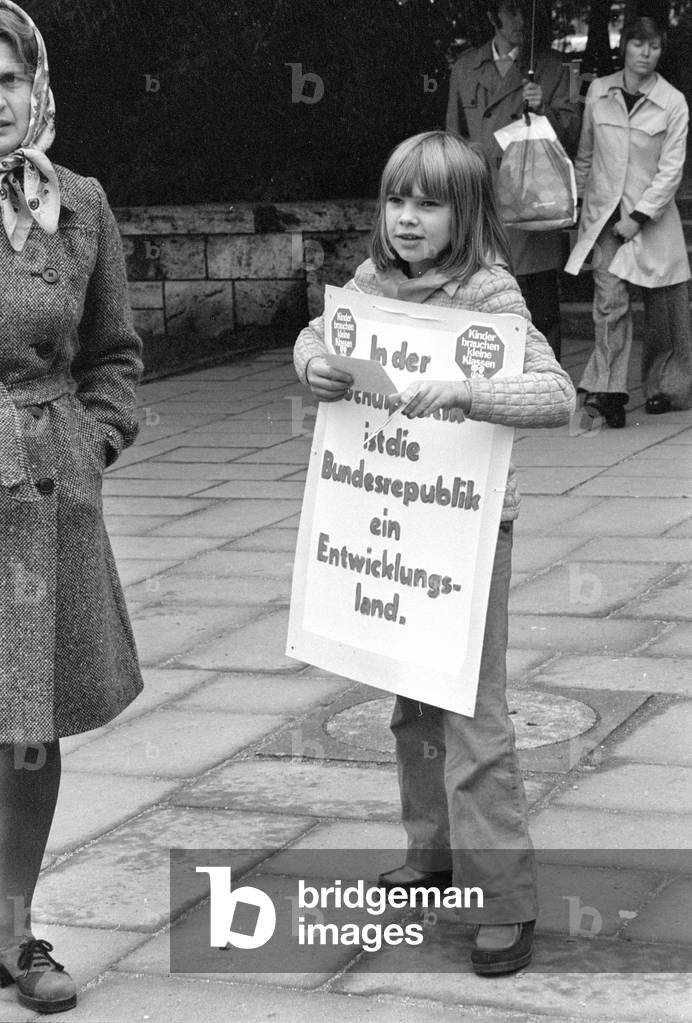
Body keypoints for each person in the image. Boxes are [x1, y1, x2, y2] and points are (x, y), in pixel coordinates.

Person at [293, 131, 575, 975]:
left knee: (472, 713)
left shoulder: (491, 293)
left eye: (429, 203)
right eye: (397, 200)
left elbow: (556, 392)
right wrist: (315, 365)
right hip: (394, 527)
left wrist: (467, 390)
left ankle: (504, 899)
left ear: (467, 213)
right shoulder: (372, 283)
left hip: (468, 533)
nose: (408, 219)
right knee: (412, 703)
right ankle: (433, 853)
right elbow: (315, 335)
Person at [0, 1, 143, 1013]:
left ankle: (14, 930)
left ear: (33, 83)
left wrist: (90, 444)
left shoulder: (78, 202)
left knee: (26, 725)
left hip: (44, 499)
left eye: (6, 75)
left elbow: (116, 356)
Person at [564, 17, 692, 428]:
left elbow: (672, 170)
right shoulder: (600, 91)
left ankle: (663, 389)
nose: (645, 53)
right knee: (609, 304)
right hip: (605, 217)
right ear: (626, 47)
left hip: (652, 218)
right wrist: (579, 203)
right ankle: (609, 392)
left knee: (663, 309)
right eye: (638, 44)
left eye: (654, 46)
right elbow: (586, 154)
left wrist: (639, 216)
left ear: (661, 50)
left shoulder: (673, 102)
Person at [446, 0, 581, 362]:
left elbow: (574, 134)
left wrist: (544, 109)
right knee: (485, 295)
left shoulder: (555, 66)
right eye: (512, 12)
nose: (521, 20)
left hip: (532, 198)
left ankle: (545, 377)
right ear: (493, 16)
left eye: (526, 11)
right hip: (484, 200)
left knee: (538, 299)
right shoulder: (465, 67)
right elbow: (454, 136)